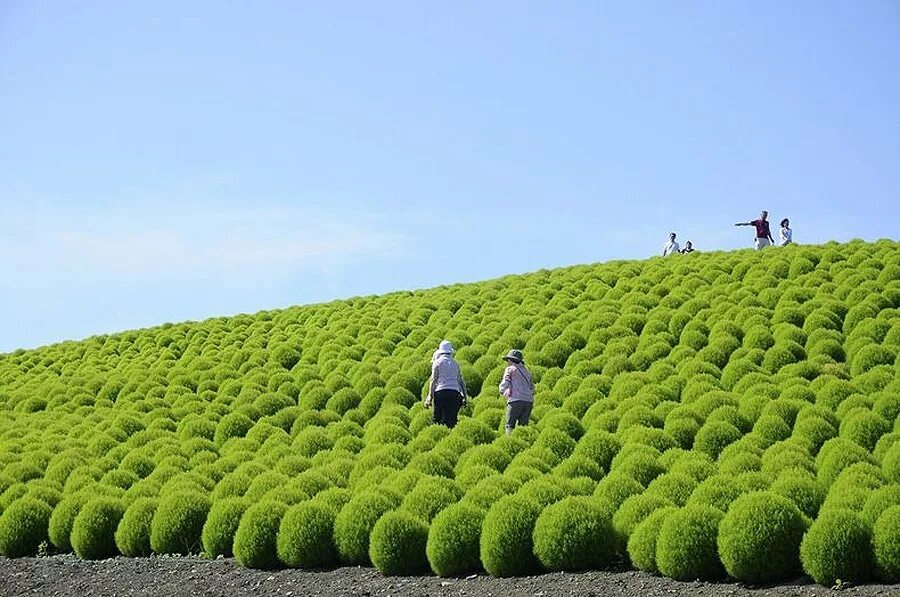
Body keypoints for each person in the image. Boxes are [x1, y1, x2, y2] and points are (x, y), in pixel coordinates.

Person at [426, 340, 467, 428]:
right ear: (450, 352)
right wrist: (465, 397)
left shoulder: (437, 363)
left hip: (440, 392)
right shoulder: (455, 364)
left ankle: (438, 434)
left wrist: (430, 396)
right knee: (452, 421)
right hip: (454, 393)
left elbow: (433, 380)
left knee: (437, 419)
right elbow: (460, 381)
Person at [498, 349, 534, 435]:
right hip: (528, 402)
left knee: (509, 425)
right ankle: (523, 442)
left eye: (508, 360)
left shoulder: (510, 369)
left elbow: (506, 381)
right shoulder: (527, 372)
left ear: (511, 360)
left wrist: (501, 390)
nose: (507, 362)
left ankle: (509, 442)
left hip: (516, 401)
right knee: (523, 428)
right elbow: (532, 387)